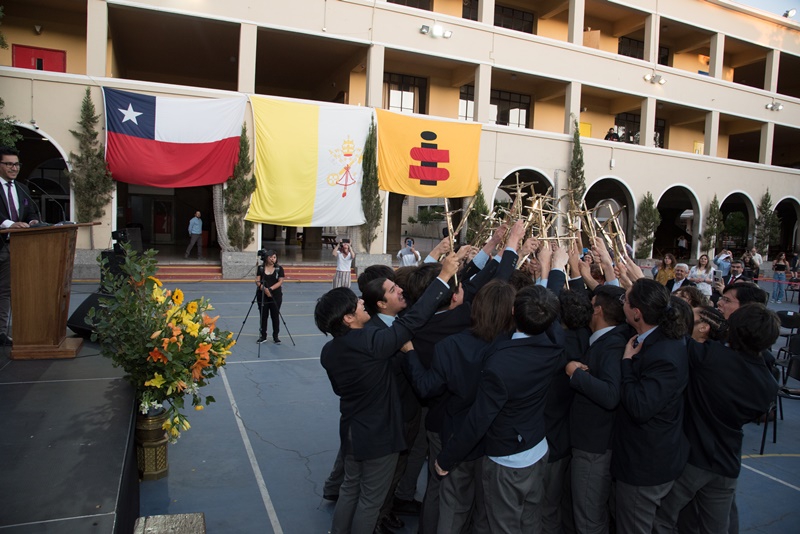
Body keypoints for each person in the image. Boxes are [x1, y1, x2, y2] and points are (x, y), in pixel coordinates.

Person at [315, 254, 458, 534]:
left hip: (351, 430)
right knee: (371, 500)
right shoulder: (372, 342)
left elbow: (339, 389)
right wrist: (443, 278)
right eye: (356, 304)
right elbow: (412, 321)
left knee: (350, 489)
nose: (361, 302)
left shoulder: (329, 351)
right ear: (348, 318)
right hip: (379, 435)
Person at [435, 285, 565, 534]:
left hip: (508, 461)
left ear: (513, 311)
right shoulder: (554, 343)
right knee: (530, 521)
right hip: (538, 448)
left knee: (503, 526)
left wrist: (447, 458)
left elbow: (479, 419)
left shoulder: (500, 364)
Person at [653, 305, 779, 533]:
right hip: (727, 460)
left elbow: (678, 338)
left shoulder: (712, 357)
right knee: (716, 527)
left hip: (693, 456)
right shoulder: (768, 384)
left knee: (662, 518)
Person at [613, 279, 689, 533]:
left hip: (645, 465)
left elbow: (640, 406)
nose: (621, 304)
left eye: (625, 300)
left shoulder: (663, 353)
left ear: (637, 313)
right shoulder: (660, 338)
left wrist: (627, 362)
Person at [567, 284, 630, 534]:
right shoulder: (607, 338)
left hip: (594, 447)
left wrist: (575, 374)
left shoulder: (612, 345)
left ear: (598, 310)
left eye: (591, 304)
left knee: (589, 518)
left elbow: (611, 395)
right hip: (592, 443)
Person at [0, 147, 39, 347]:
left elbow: (31, 212)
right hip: (2, 242)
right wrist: (9, 224)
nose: (13, 168)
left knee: (7, 291)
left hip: (17, 247)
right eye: (9, 164)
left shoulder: (22, 188)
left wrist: (32, 221)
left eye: (16, 164)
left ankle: (3, 332)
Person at [256, 249, 284, 344]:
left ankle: (276, 336)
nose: (273, 259)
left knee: (275, 315)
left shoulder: (279, 269)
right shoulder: (260, 268)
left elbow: (280, 281)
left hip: (275, 296)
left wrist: (270, 289)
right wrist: (264, 289)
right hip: (262, 295)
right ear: (266, 258)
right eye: (271, 257)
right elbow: (257, 281)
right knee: (263, 316)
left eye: (274, 257)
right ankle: (263, 335)